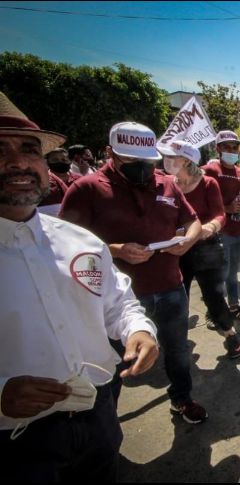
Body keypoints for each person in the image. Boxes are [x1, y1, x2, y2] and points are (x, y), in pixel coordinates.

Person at [0, 90, 159, 481]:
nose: (18, 161)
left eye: (29, 148)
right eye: (0, 149)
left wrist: (139, 330)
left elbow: (118, 301)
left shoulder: (80, 242)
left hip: (98, 416)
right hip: (16, 441)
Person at [60, 121, 208, 424]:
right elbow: (64, 242)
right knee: (112, 366)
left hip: (170, 288)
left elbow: (192, 220)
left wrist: (188, 239)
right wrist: (115, 250)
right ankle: (104, 422)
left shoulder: (166, 184)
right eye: (130, 160)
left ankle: (182, 399)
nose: (140, 167)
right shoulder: (85, 189)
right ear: (109, 153)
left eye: (146, 161)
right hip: (114, 302)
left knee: (178, 353)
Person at [159, 140, 240, 359]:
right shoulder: (166, 183)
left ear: (186, 160)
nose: (166, 161)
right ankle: (178, 342)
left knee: (213, 296)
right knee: (178, 298)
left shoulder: (208, 183)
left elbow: (220, 214)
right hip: (177, 251)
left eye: (171, 157)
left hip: (206, 249)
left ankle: (229, 333)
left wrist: (210, 227)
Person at [203, 131, 240, 322]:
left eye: (234, 147)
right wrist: (226, 208)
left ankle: (233, 307)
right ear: (218, 149)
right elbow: (202, 203)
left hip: (239, 233)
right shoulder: (210, 171)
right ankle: (214, 312)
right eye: (226, 147)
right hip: (220, 233)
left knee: (232, 273)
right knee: (220, 275)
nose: (231, 151)